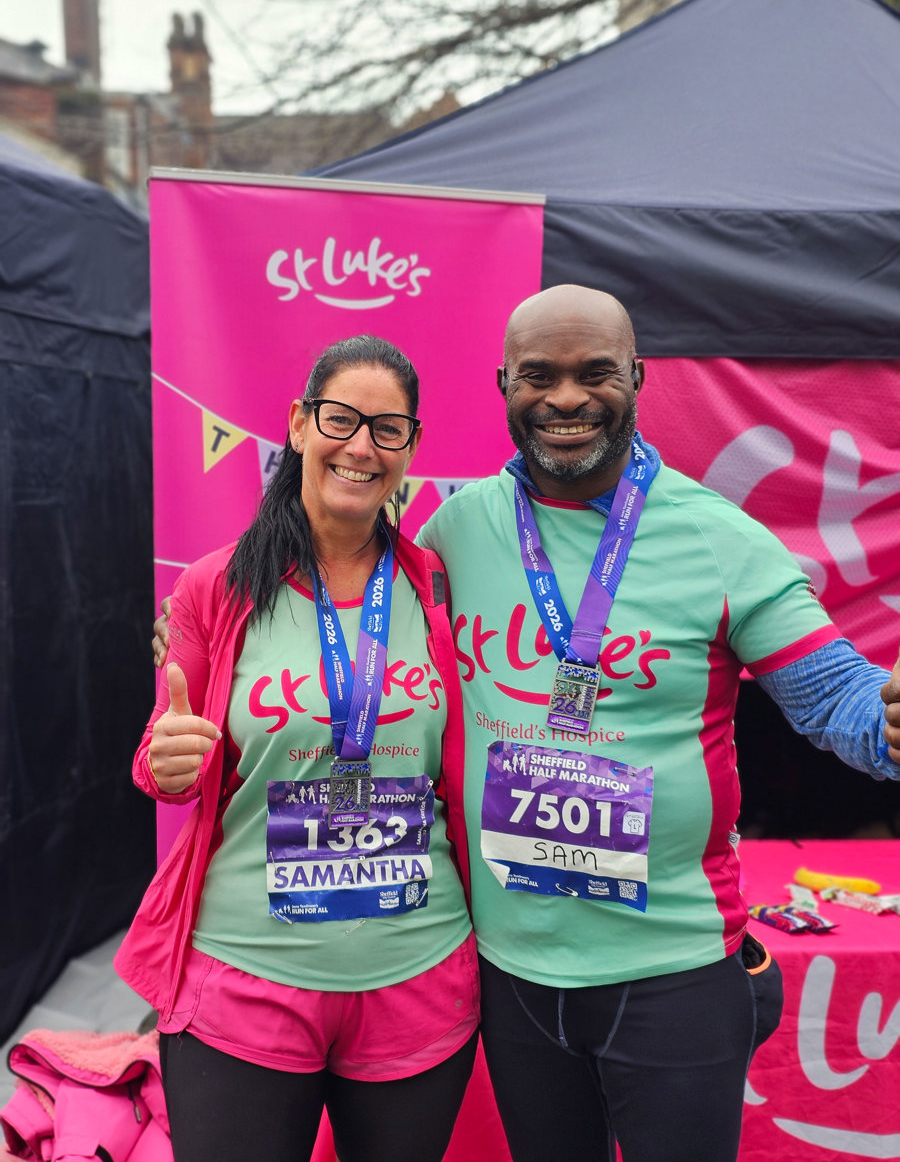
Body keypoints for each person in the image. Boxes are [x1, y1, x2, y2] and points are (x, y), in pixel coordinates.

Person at [152, 288, 900, 1162]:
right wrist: (201, 624)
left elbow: (838, 700)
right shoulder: (454, 535)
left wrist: (887, 721)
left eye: (595, 374)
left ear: (638, 379)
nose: (567, 398)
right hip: (514, 976)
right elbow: (343, 617)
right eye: (539, 375)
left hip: (672, 969)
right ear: (504, 386)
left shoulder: (721, 541)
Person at [117, 336, 479, 1162]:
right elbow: (161, 757)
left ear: (411, 448)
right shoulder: (218, 585)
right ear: (299, 424)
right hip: (247, 974)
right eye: (341, 419)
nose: (361, 446)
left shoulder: (437, 586)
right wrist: (165, 761)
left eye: (387, 429)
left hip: (416, 973)